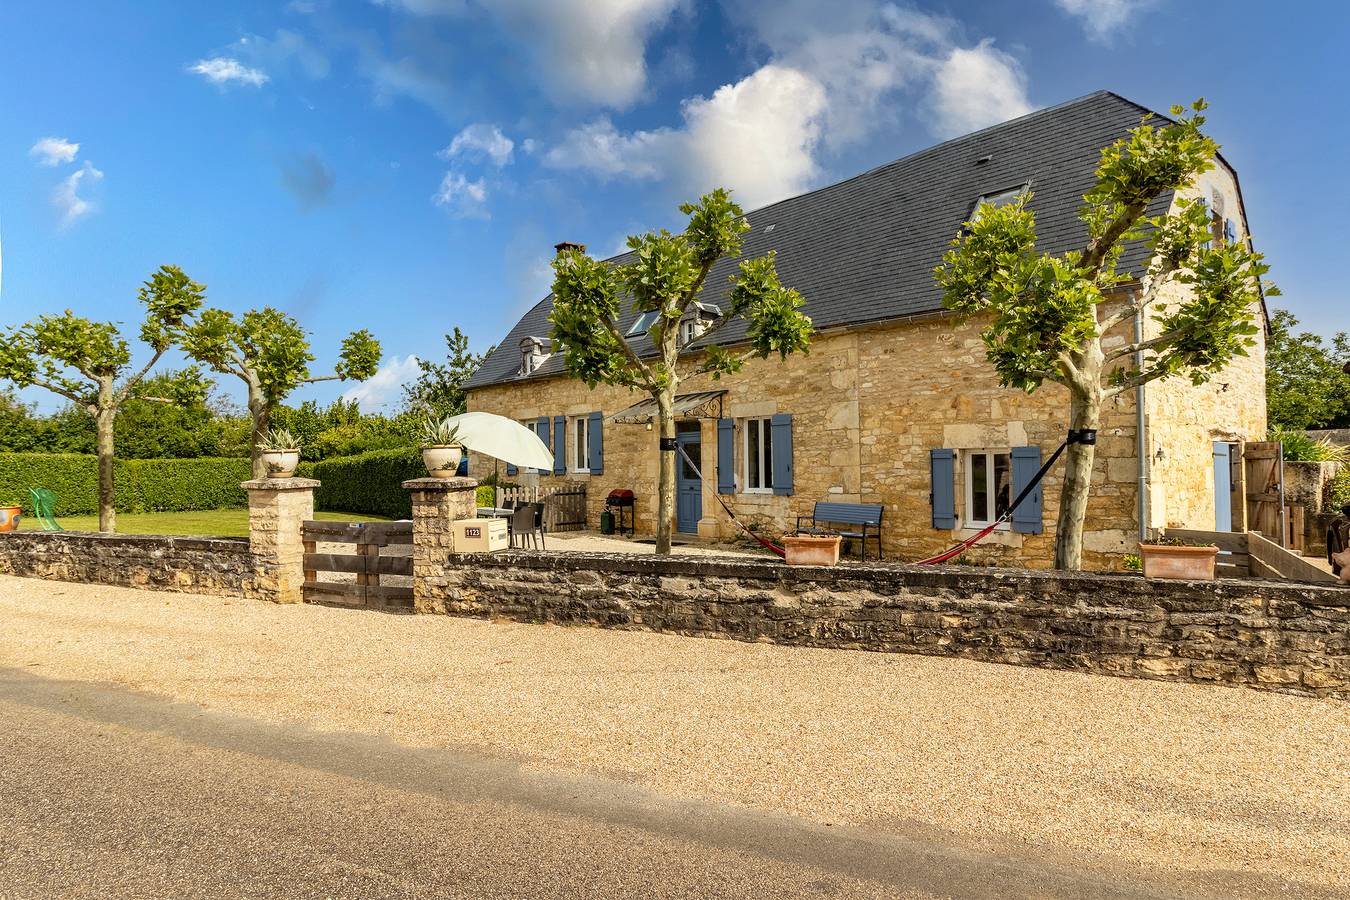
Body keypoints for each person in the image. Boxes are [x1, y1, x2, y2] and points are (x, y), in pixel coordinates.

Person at [1328, 502, 1350, 580]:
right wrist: (1330, 558)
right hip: (1341, 554)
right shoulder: (1336, 522)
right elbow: (1329, 540)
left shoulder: (1335, 521)